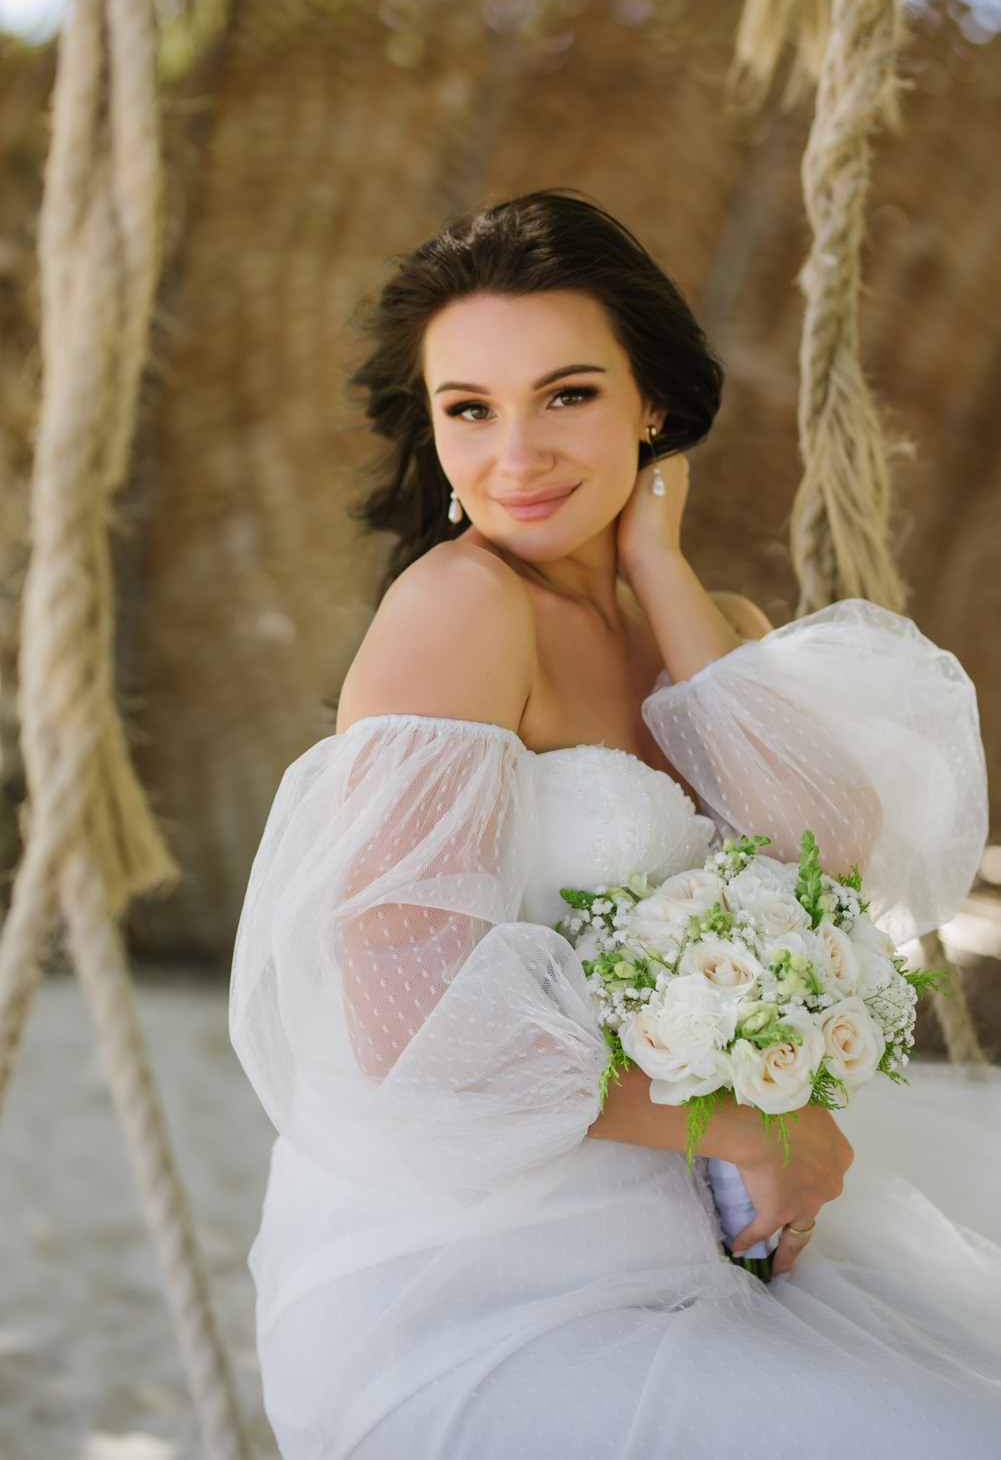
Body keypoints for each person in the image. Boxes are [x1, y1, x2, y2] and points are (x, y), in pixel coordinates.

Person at [230, 192, 1001, 1460]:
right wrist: (741, 1120)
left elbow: (826, 850)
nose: (514, 455)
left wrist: (655, 568)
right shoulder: (460, 610)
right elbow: (400, 1008)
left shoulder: (712, 622)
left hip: (720, 1216)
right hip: (494, 1269)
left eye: (567, 396)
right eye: (467, 408)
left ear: (649, 404)